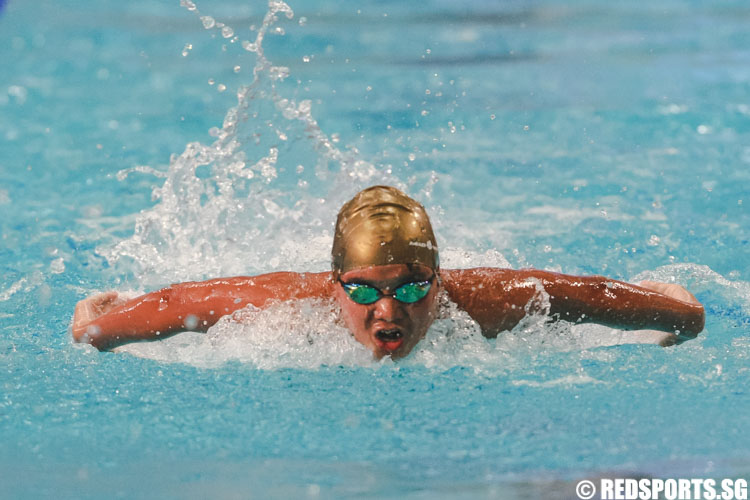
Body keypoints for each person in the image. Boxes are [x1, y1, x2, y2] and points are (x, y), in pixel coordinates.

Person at [72, 185, 705, 358]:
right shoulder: (285, 310)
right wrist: (96, 326)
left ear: (438, 279)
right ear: (334, 284)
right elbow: (185, 303)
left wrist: (678, 309)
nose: (388, 311)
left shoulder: (483, 302)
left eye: (411, 287)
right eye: (364, 291)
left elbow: (585, 296)